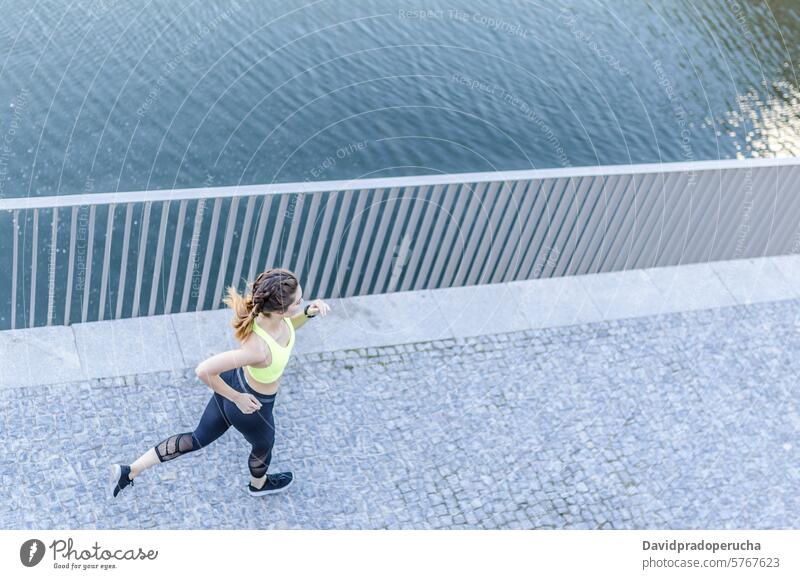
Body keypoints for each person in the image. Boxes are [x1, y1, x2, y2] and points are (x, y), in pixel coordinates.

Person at [109, 267, 330, 497]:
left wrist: (307, 312)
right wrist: (238, 398)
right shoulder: (259, 350)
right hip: (253, 406)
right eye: (298, 302)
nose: (303, 302)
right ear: (279, 310)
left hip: (234, 383)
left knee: (197, 438)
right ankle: (259, 485)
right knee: (264, 445)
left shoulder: (270, 319)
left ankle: (130, 471)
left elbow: (288, 328)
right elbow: (203, 370)